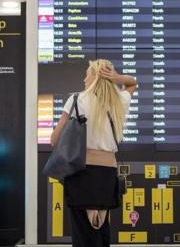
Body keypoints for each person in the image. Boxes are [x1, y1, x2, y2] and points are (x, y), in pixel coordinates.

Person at [51, 59, 137, 247]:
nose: (84, 79)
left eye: (88, 74)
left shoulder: (76, 100)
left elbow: (54, 139)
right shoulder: (120, 101)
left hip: (80, 172)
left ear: (96, 77)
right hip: (107, 174)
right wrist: (117, 77)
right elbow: (132, 83)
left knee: (83, 231)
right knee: (101, 228)